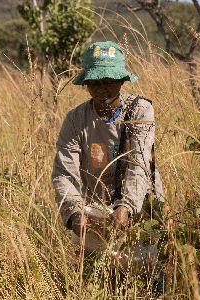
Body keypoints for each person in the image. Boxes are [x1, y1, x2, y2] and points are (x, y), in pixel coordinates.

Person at [52, 41, 164, 246]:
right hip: (96, 206)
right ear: (86, 83)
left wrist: (127, 206)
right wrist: (74, 212)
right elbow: (63, 173)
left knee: (143, 265)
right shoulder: (75, 119)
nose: (102, 89)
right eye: (95, 82)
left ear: (122, 80)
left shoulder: (140, 111)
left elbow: (139, 163)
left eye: (109, 81)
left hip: (141, 202)